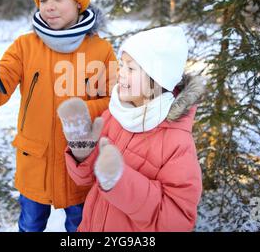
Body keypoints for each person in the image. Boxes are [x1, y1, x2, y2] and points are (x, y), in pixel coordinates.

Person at [0, 0, 117, 232]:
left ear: (79, 2)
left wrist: (80, 112)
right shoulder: (24, 47)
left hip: (80, 163)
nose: (49, 7)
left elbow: (114, 102)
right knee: (30, 224)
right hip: (36, 162)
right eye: (43, 0)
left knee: (81, 226)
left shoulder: (100, 50)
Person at [58, 26, 204, 231]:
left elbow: (176, 220)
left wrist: (120, 181)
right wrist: (82, 154)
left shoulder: (176, 143)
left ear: (156, 79)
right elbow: (87, 180)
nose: (121, 74)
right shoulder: (115, 115)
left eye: (131, 68)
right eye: (122, 65)